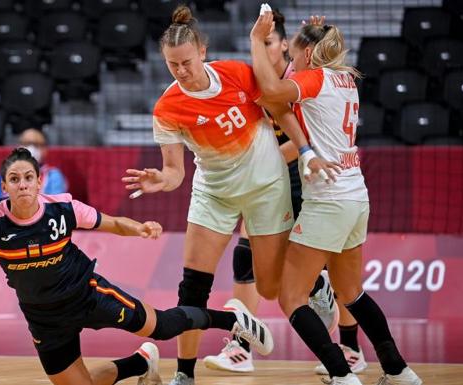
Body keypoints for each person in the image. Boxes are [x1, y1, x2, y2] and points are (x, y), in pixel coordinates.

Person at [0, 147, 273, 385]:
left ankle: (233, 319)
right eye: (14, 179)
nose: (22, 185)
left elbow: (112, 222)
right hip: (44, 318)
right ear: (4, 186)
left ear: (39, 182)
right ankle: (140, 364)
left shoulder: (62, 208)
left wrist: (140, 228)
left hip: (87, 295)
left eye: (28, 178)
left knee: (162, 326)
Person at [121, 6, 339, 385]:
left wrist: (305, 150)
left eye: (186, 62)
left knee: (270, 289)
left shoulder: (238, 74)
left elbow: (282, 111)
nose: (181, 71)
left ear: (202, 52)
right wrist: (162, 178)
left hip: (266, 190)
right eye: (173, 65)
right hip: (214, 194)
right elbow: (175, 171)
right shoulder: (168, 107)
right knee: (192, 288)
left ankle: (317, 284)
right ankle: (184, 374)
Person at [250, 11, 422, 385]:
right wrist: (307, 37)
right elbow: (284, 103)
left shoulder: (312, 79)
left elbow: (269, 91)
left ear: (308, 55)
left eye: (294, 56)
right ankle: (397, 369)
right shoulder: (345, 78)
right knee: (352, 292)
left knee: (290, 297)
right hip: (356, 195)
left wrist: (255, 41)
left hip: (328, 200)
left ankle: (341, 374)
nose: (289, 63)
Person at [204, 10, 366, 376]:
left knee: (334, 264)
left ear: (284, 43)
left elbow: (305, 138)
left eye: (268, 42)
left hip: (307, 174)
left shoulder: (301, 76)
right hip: (268, 179)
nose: (262, 48)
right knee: (246, 256)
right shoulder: (251, 76)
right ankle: (241, 346)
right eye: (258, 43)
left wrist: (318, 36)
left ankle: (351, 346)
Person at [0, 128, 67, 200]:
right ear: (18, 146)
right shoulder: (6, 172)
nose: (31, 148)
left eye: (36, 145)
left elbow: (55, 205)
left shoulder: (53, 175)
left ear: (45, 149)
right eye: (26, 144)